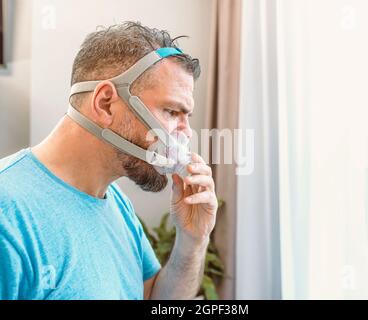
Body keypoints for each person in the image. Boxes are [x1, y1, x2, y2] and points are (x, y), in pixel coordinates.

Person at [0, 21, 218, 300]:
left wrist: (193, 241)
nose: (186, 132)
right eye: (172, 111)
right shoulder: (8, 215)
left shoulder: (115, 202)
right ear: (105, 103)